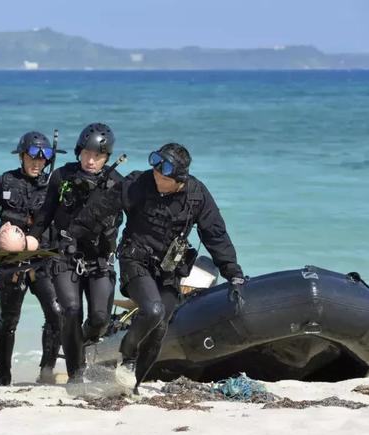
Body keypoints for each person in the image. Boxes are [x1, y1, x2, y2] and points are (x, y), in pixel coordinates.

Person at [68, 142, 245, 393]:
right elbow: (98, 209)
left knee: (159, 328)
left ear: (180, 178)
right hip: (135, 261)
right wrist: (70, 236)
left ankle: (131, 387)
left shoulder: (197, 195)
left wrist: (233, 273)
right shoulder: (137, 183)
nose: (157, 174)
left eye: (165, 171)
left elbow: (215, 235)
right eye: (155, 165)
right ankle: (127, 358)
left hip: (169, 270)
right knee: (152, 310)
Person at [29, 123, 124, 383]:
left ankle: (82, 344)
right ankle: (75, 374)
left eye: (98, 155)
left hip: (100, 261)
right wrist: (31, 240)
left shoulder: (118, 183)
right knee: (70, 310)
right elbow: (45, 214)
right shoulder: (61, 176)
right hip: (66, 258)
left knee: (99, 318)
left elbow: (133, 222)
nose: (91, 160)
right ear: (78, 151)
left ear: (107, 157)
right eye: (86, 153)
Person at [0, 131, 63, 385]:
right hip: (11, 263)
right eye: (31, 158)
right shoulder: (3, 182)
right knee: (9, 320)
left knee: (56, 314)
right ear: (22, 156)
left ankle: (47, 370)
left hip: (42, 260)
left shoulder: (53, 187)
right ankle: (4, 375)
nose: (37, 164)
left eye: (42, 160)